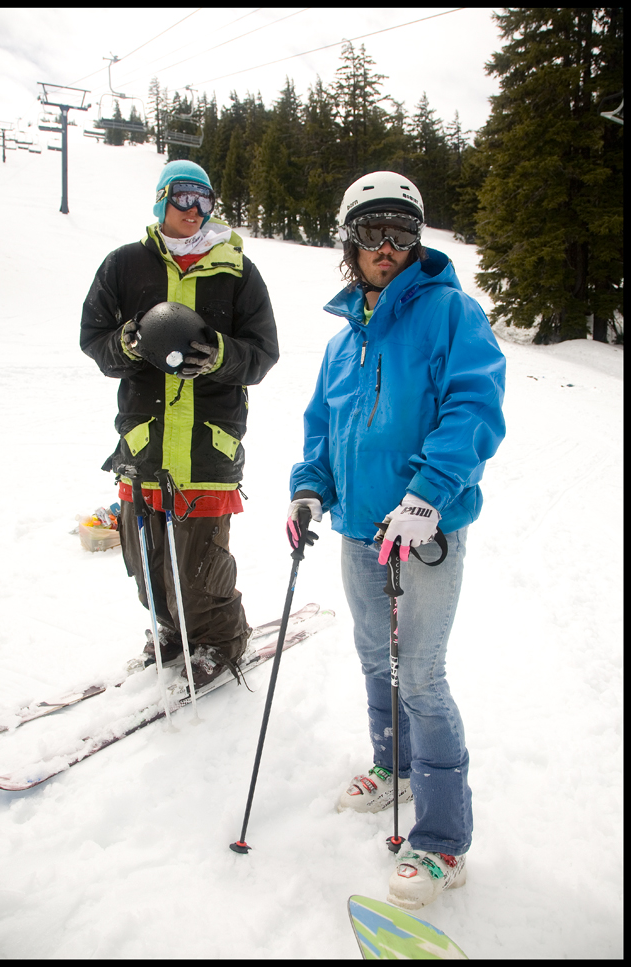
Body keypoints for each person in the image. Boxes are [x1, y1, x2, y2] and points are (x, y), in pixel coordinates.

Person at [287, 171, 506, 911]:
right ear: (349, 240)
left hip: (426, 530)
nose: (389, 245)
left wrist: (427, 497)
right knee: (372, 655)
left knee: (421, 673)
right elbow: (322, 426)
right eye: (374, 230)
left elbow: (473, 406)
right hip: (358, 529)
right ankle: (395, 764)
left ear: (418, 241)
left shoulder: (451, 314)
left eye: (403, 231)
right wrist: (309, 486)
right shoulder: (341, 341)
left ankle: (443, 841)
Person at [81, 160, 279, 689]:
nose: (194, 210)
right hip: (143, 445)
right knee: (146, 565)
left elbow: (262, 355)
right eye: (184, 197)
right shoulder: (125, 265)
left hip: (205, 447)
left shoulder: (237, 271)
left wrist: (218, 355)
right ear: (161, 200)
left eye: (205, 200)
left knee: (198, 570)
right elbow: (94, 338)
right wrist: (125, 343)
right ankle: (169, 631)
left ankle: (219, 641)